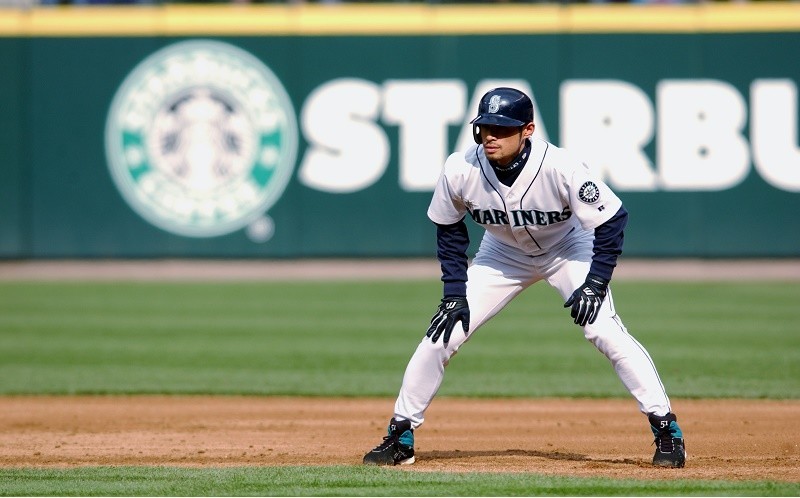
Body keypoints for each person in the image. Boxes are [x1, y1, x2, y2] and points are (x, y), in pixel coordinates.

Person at [362, 87, 686, 469]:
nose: (490, 136)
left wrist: (596, 281)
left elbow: (612, 218)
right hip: (502, 253)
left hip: (568, 247)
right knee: (442, 334)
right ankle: (400, 435)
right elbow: (449, 230)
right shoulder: (460, 169)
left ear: (528, 129)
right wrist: (453, 292)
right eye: (484, 127)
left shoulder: (560, 167)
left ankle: (667, 430)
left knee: (603, 330)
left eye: (501, 128)